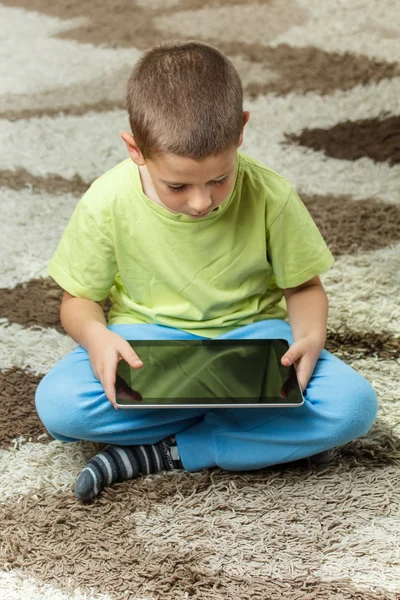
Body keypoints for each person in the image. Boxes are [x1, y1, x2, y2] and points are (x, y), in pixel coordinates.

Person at [35, 41, 378, 503]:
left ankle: (169, 451)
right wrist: (97, 338)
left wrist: (311, 338)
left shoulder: (271, 195)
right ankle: (263, 433)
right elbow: (79, 301)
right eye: (177, 186)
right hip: (150, 345)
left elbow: (304, 286)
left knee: (354, 407)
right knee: (59, 406)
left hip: (253, 342)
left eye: (219, 179)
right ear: (135, 149)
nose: (201, 202)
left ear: (240, 131)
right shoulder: (106, 200)